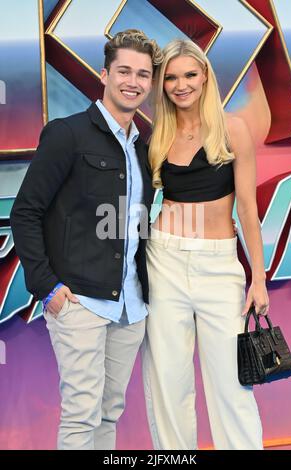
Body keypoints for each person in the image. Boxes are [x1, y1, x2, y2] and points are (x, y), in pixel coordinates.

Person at [10, 29, 163, 450]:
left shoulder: (142, 148)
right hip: (80, 303)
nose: (133, 81)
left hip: (131, 306)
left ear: (150, 83)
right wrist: (48, 288)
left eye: (143, 74)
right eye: (124, 71)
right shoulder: (68, 134)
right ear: (104, 74)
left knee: (108, 411)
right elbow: (25, 212)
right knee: (81, 415)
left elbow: (133, 226)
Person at [142, 39, 269, 450]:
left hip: (219, 267)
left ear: (205, 76)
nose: (181, 85)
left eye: (190, 75)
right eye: (172, 78)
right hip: (164, 259)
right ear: (162, 84)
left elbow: (248, 209)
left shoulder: (233, 128)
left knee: (232, 384)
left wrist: (260, 278)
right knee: (169, 381)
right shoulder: (158, 133)